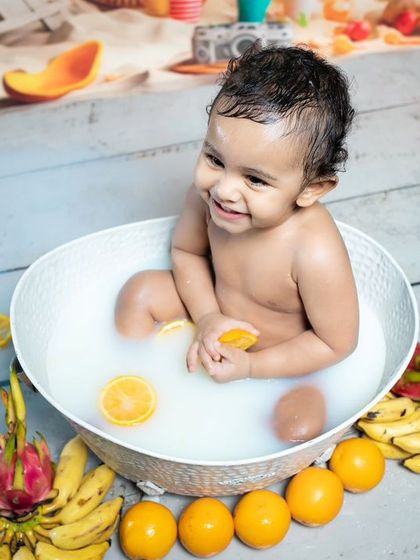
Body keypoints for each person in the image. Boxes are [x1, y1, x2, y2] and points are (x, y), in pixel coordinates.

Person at [115, 44, 359, 438]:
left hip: (281, 362)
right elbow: (186, 252)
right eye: (215, 159)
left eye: (256, 179)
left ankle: (272, 410)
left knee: (299, 429)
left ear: (312, 189)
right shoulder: (205, 197)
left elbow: (335, 344)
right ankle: (129, 377)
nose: (224, 190)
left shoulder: (313, 250)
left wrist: (253, 368)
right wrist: (207, 316)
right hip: (209, 311)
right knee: (140, 293)